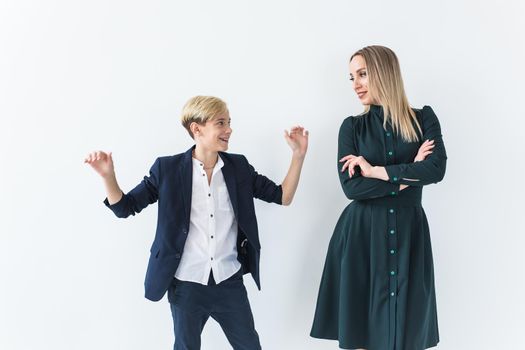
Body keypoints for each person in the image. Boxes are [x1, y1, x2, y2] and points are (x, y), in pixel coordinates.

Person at [85, 95, 308, 349]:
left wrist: (298, 155)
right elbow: (125, 208)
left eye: (229, 122)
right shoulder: (166, 170)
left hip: (229, 283)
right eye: (221, 123)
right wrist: (108, 176)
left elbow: (283, 196)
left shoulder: (239, 168)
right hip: (186, 285)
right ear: (197, 128)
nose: (229, 129)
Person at [310, 45, 447, 350]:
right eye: (351, 77)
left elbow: (436, 169)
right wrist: (405, 177)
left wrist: (376, 171)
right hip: (361, 234)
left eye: (362, 74)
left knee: (408, 330)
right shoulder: (352, 127)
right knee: (360, 330)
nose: (356, 84)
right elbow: (352, 188)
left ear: (384, 73)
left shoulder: (424, 119)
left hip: (409, 233)